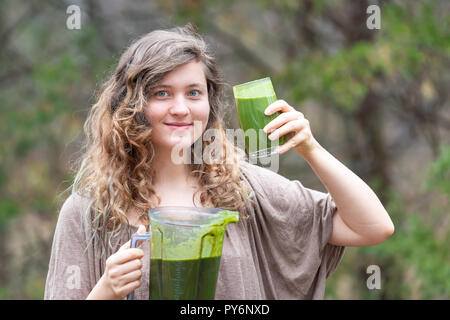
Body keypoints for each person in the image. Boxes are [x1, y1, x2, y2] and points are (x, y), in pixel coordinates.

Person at [44, 23, 394, 300]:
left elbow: (373, 227)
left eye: (194, 93)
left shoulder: (243, 190)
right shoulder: (90, 212)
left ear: (209, 103)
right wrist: (106, 291)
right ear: (130, 104)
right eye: (161, 93)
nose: (181, 108)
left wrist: (311, 148)